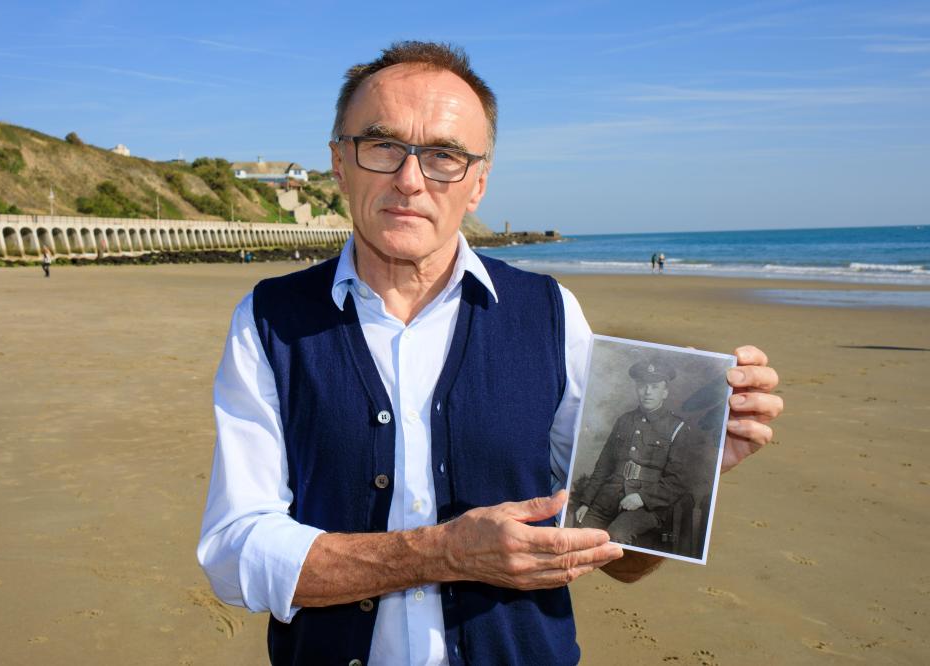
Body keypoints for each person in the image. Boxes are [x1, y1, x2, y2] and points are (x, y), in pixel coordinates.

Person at [197, 41, 783, 666]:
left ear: (477, 183)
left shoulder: (551, 315)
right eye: (383, 145)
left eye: (444, 155)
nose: (410, 179)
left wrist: (691, 464)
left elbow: (620, 561)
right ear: (340, 163)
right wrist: (441, 553)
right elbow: (235, 552)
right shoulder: (268, 322)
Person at [574, 359, 697, 548]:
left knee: (617, 535)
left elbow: (678, 480)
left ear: (665, 392)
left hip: (649, 505)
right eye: (642, 386)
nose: (648, 392)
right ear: (637, 389)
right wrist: (586, 502)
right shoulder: (625, 420)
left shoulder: (677, 428)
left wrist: (642, 498)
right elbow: (604, 465)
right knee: (580, 533)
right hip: (609, 496)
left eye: (655, 387)